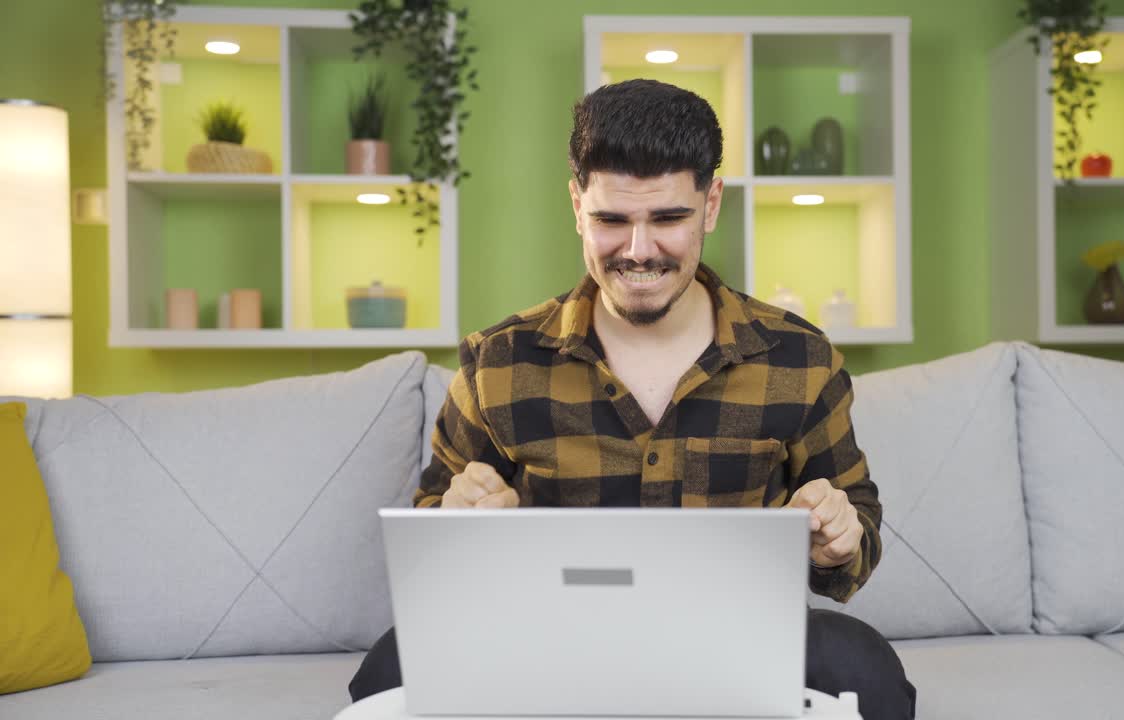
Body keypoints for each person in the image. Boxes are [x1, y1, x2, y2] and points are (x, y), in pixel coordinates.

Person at [349, 79, 916, 719]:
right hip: (543, 646)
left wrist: (842, 536)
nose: (639, 251)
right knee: (391, 665)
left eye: (668, 218)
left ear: (710, 205)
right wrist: (455, 523)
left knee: (860, 662)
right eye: (612, 220)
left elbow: (857, 524)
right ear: (576, 206)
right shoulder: (499, 361)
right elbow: (430, 540)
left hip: (742, 642)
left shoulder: (797, 357)